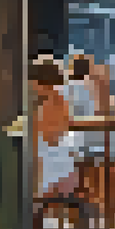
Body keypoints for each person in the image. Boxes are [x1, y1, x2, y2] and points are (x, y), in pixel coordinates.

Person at [32, 57, 85, 197]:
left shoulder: (40, 108)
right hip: (66, 166)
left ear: (40, 83)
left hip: (47, 171)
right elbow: (67, 129)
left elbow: (38, 145)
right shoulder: (62, 102)